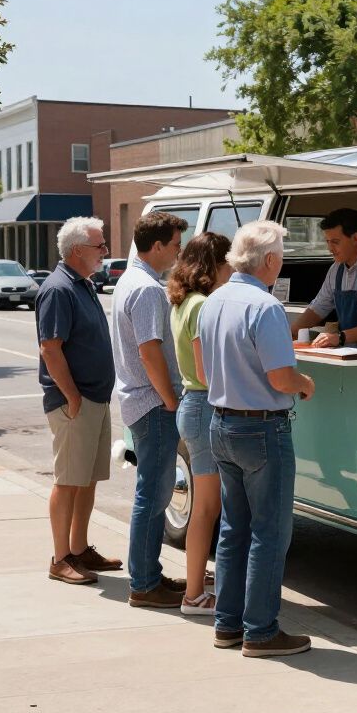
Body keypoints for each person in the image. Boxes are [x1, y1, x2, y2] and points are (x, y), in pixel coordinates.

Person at [198, 220, 315, 657]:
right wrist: (305, 384)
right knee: (270, 533)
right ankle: (261, 631)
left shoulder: (214, 301)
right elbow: (282, 376)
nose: (282, 263)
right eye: (281, 256)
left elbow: (206, 370)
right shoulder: (264, 307)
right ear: (269, 261)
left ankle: (228, 624)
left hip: (222, 422)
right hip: (262, 427)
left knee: (234, 529)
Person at [36, 217, 120, 585]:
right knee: (68, 480)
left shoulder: (82, 284)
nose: (105, 252)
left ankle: (80, 548)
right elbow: (50, 350)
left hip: (94, 399)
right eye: (99, 246)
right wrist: (71, 397)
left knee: (86, 480)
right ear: (76, 251)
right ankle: (60, 558)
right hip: (76, 401)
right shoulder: (58, 289)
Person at [111, 211, 188, 608]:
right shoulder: (145, 289)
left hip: (143, 402)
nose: (178, 253)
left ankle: (149, 575)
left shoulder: (133, 280)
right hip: (153, 404)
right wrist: (171, 399)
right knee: (153, 496)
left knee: (153, 494)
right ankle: (143, 584)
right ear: (156, 246)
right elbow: (149, 350)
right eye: (175, 246)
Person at [168, 231, 233, 616]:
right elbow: (208, 372)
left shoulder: (183, 301)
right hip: (204, 405)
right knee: (208, 509)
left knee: (205, 508)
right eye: (228, 264)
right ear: (213, 265)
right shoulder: (201, 306)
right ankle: (194, 595)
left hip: (192, 405)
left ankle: (196, 587)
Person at [289, 208, 357, 352]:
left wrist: (339, 337)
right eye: (327, 242)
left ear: (355, 238)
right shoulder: (336, 269)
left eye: (335, 242)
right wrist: (290, 332)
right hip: (347, 351)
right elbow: (318, 308)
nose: (330, 248)